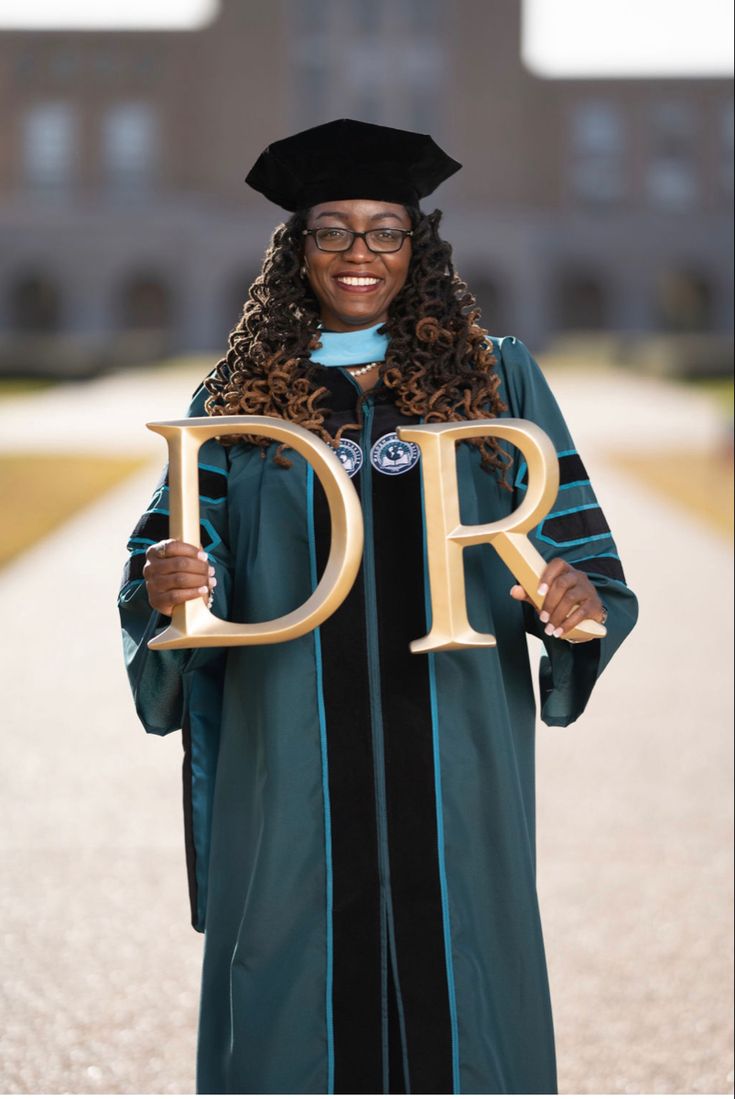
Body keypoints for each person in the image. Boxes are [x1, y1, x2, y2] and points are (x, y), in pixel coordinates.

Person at [118, 119, 638, 1095]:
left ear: (419, 247)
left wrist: (576, 607)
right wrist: (168, 588)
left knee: (467, 992)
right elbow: (168, 565)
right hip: (293, 768)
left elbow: (583, 558)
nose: (360, 254)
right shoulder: (236, 401)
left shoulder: (496, 379)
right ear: (297, 249)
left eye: (385, 230)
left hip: (456, 758)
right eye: (333, 230)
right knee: (292, 986)